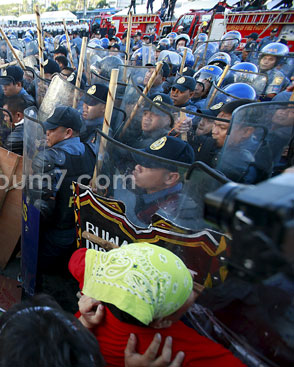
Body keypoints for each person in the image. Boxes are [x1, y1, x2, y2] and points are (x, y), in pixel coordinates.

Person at [69, 242, 245, 367]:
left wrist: (83, 323)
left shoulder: (96, 300)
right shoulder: (174, 348)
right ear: (161, 322)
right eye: (185, 290)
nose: (191, 278)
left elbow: (77, 258)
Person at [33, 106, 96, 274]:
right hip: (81, 234)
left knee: (42, 272)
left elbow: (42, 209)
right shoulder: (92, 151)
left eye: (52, 129)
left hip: (55, 233)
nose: (46, 132)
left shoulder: (50, 159)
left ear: (68, 132)